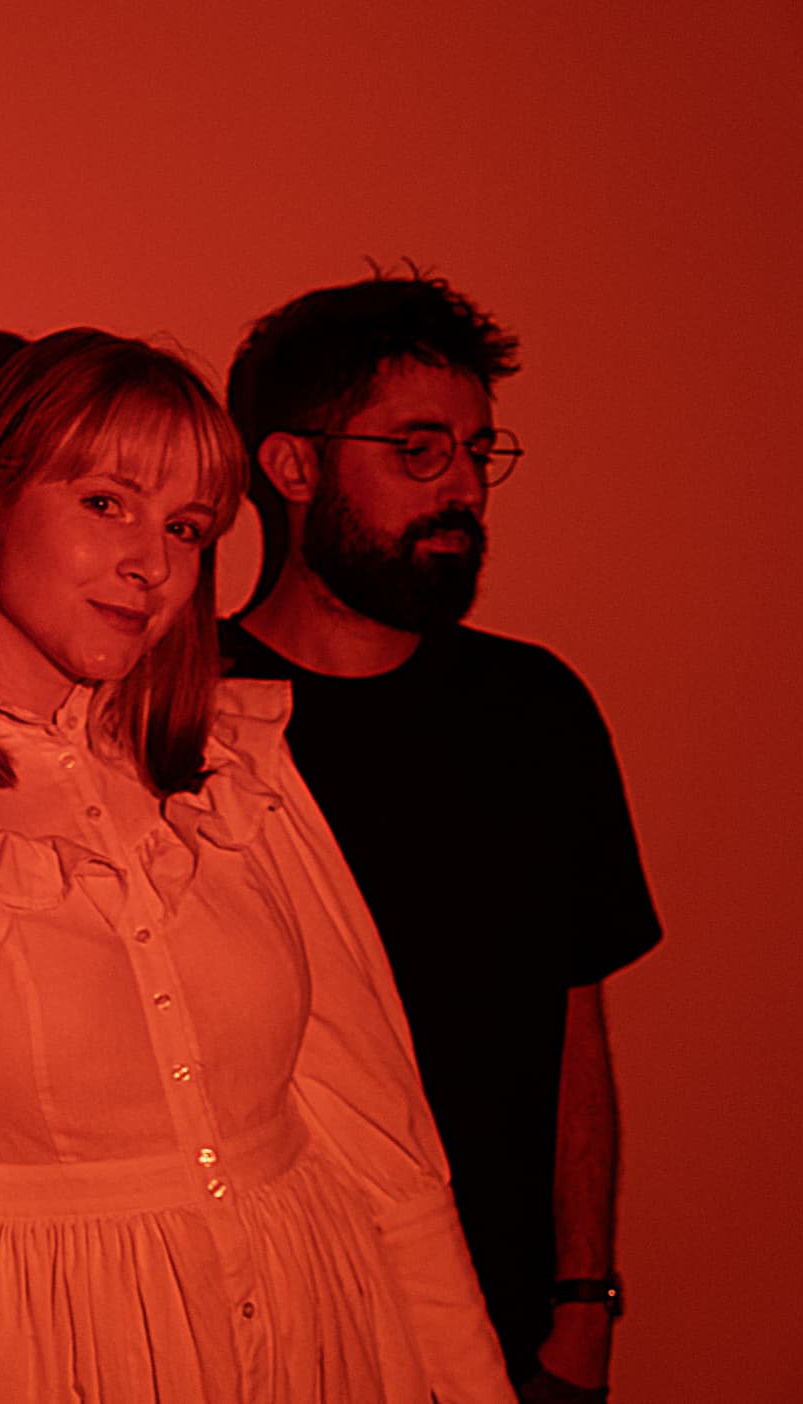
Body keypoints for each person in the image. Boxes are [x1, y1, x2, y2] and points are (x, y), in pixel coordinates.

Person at [0, 329, 515, 1403]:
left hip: (315, 1328)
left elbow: (382, 1145)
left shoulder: (237, 775)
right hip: (52, 1355)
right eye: (107, 503)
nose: (154, 564)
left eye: (187, 528)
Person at [220, 272, 661, 1400]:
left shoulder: (533, 710)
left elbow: (572, 1026)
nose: (461, 487)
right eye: (418, 451)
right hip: (265, 1338)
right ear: (291, 466)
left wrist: (582, 1302)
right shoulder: (187, 716)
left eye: (475, 452)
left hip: (506, 1333)